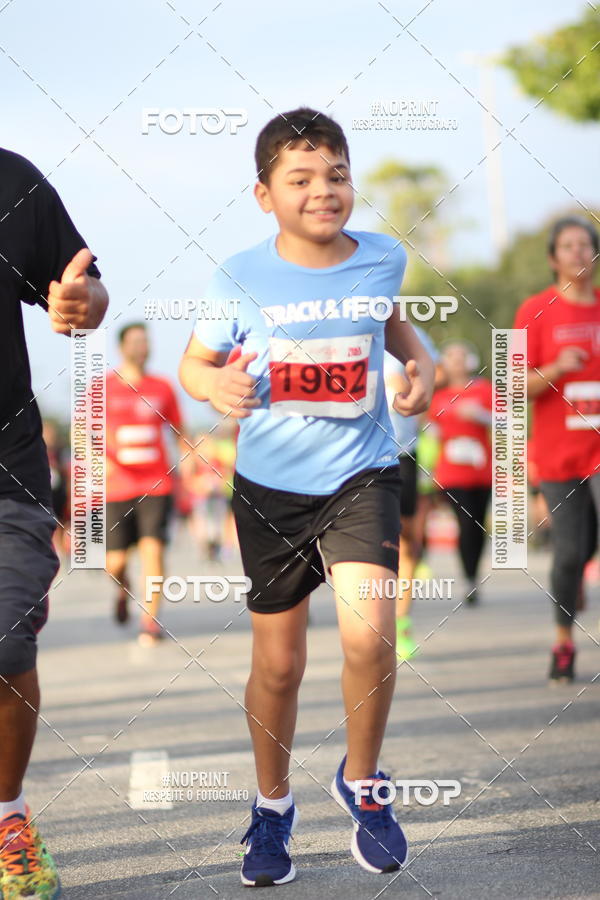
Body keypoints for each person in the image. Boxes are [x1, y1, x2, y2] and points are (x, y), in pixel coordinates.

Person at [180, 107, 435, 886]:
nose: (323, 191)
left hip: (362, 474)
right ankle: (271, 806)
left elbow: (387, 325)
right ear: (265, 195)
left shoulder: (384, 257)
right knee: (280, 667)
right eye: (300, 179)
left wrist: (418, 360)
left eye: (336, 175)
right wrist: (214, 383)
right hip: (269, 488)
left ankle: (364, 784)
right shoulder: (238, 275)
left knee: (370, 635)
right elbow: (195, 366)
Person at [0, 149, 108, 899]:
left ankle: (7, 816)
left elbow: (85, 286)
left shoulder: (10, 180)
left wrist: (81, 304)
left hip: (5, 465)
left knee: (4, 641)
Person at [514, 216, 600, 683]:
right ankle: (563, 642)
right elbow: (512, 385)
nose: (578, 253)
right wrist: (555, 367)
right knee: (570, 552)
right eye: (568, 246)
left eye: (586, 245)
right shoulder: (533, 310)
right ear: (553, 258)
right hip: (558, 451)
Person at [105, 322, 193, 645]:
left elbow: (180, 430)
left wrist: (191, 461)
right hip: (117, 487)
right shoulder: (103, 387)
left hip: (157, 484)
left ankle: (150, 621)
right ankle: (121, 589)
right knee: (114, 563)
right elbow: (84, 434)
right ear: (122, 347)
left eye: (146, 341)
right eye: (135, 341)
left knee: (153, 551)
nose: (142, 347)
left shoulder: (163, 387)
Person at [384, 328, 445, 658]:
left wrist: (411, 387)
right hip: (354, 454)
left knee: (407, 541)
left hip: (403, 452)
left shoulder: (411, 328)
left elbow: (437, 372)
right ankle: (366, 623)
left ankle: (401, 622)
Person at [427, 341, 493, 605]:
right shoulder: (438, 398)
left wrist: (480, 415)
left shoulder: (484, 390)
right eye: (451, 357)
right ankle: (467, 578)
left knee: (477, 525)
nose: (457, 362)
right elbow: (430, 436)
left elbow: (507, 419)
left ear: (470, 360)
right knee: (465, 523)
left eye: (461, 356)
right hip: (451, 474)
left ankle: (474, 575)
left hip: (481, 471)